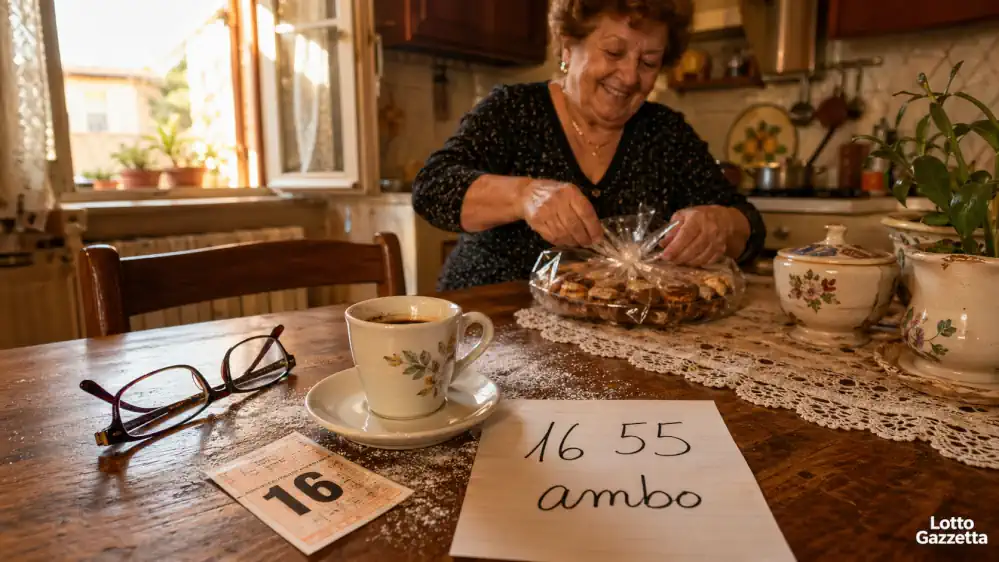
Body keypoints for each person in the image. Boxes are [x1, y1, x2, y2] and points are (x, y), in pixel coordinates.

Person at [412, 0, 765, 292]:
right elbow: (432, 188)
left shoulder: (666, 133)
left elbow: (749, 226)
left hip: (621, 337)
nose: (628, 77)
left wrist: (722, 224)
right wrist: (525, 196)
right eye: (613, 52)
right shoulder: (513, 110)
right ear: (568, 45)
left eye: (648, 63)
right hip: (493, 327)